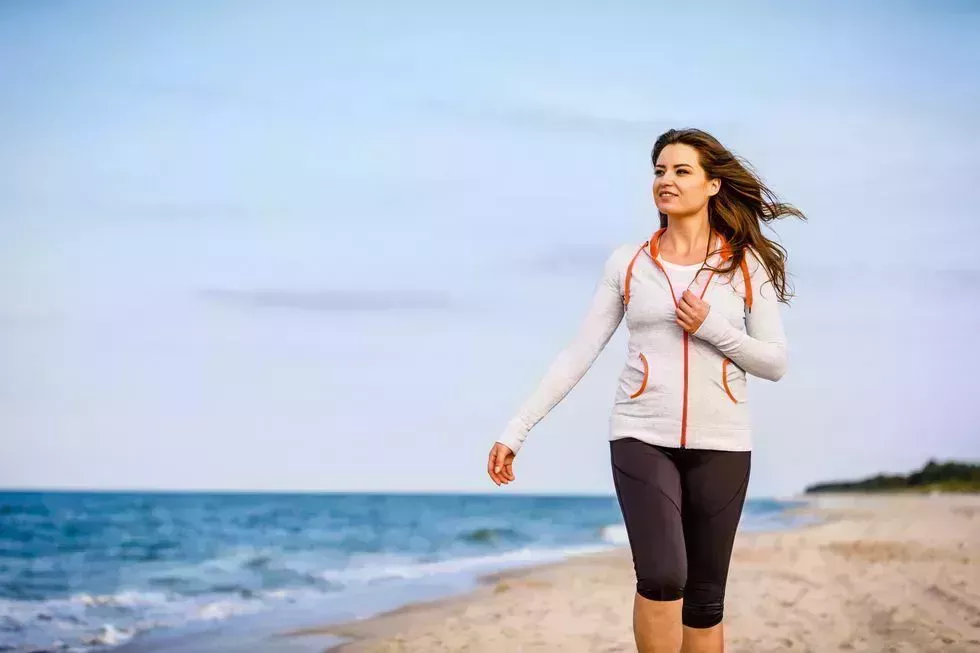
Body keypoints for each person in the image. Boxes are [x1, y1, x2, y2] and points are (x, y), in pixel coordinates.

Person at [485, 128, 805, 653]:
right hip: (641, 436)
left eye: (681, 171)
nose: (666, 180)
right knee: (662, 575)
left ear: (713, 186)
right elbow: (578, 353)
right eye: (659, 171)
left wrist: (713, 329)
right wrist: (515, 430)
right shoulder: (628, 263)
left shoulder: (745, 265)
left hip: (722, 444)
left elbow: (775, 362)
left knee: (705, 600)